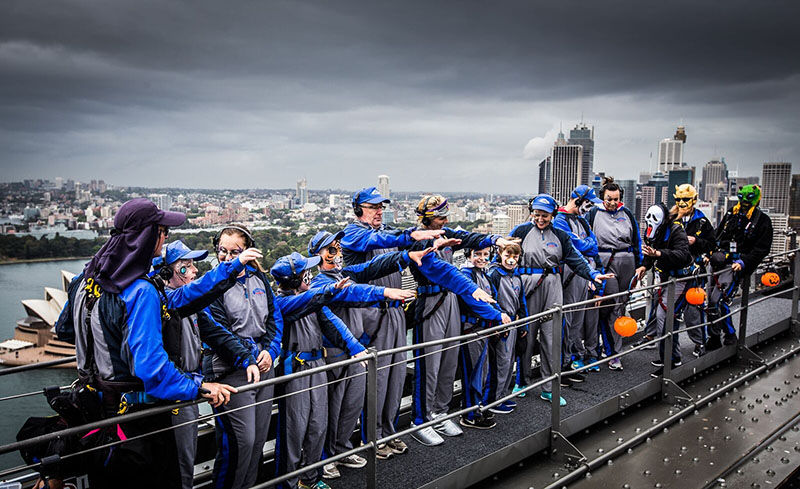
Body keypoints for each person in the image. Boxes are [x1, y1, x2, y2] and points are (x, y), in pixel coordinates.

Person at [56, 199, 234, 489]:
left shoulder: (85, 279)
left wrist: (108, 345)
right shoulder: (140, 291)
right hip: (138, 422)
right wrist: (200, 386)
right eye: (162, 231)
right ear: (147, 235)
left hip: (95, 416)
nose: (164, 237)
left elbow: (64, 330)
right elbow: (151, 369)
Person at [270, 252, 414, 489]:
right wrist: (330, 291)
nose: (310, 274)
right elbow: (303, 304)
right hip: (295, 369)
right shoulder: (283, 303)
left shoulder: (311, 300)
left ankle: (311, 479)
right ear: (297, 279)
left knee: (318, 425)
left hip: (317, 365)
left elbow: (333, 323)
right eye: (306, 272)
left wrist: (356, 348)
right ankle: (288, 484)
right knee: (293, 431)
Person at [307, 231, 432, 479]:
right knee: (333, 407)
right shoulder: (319, 282)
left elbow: (372, 267)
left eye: (337, 248)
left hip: (356, 351)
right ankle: (326, 457)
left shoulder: (344, 275)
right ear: (316, 256)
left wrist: (406, 256)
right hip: (335, 353)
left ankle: (342, 449)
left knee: (352, 404)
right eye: (330, 250)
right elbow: (351, 293)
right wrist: (383, 293)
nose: (337, 254)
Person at [152, 239, 264, 489]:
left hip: (189, 390)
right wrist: (233, 265)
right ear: (167, 271)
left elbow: (217, 334)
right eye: (186, 266)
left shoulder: (187, 305)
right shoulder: (164, 303)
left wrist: (246, 358)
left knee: (186, 463)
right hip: (173, 397)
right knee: (178, 468)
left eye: (194, 265)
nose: (194, 271)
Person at [340, 186, 444, 458]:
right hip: (372, 313)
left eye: (381, 206)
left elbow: (401, 243)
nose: (379, 210)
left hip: (396, 309)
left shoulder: (387, 234)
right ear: (359, 208)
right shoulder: (354, 233)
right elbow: (375, 243)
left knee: (397, 376)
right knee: (379, 377)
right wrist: (408, 236)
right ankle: (372, 438)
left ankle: (389, 432)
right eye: (373, 206)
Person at [407, 194, 514, 446]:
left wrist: (494, 239)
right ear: (428, 219)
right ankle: (421, 419)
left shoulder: (443, 234)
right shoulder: (417, 240)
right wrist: (470, 288)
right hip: (431, 301)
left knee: (448, 358)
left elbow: (467, 237)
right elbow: (441, 270)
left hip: (450, 300)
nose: (445, 220)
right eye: (440, 217)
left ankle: (441, 412)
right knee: (429, 363)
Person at [510, 194, 613, 406]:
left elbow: (576, 260)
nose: (540, 219)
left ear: (553, 215)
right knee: (526, 336)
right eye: (537, 214)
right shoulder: (520, 231)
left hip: (553, 286)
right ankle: (521, 381)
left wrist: (593, 275)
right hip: (527, 287)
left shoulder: (560, 235)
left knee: (552, 337)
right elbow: (503, 257)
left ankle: (549, 387)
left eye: (545, 215)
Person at [206, 224, 283, 489]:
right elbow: (218, 331)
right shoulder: (212, 284)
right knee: (241, 443)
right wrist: (252, 354)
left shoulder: (258, 279)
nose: (227, 258)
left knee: (258, 441)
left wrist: (270, 351)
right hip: (233, 372)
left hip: (264, 369)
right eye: (222, 251)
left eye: (234, 251)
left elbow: (275, 318)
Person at [707, 184, 773, 350]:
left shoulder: (762, 221)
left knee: (719, 300)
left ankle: (730, 334)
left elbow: (762, 249)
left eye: (748, 198)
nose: (744, 201)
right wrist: (709, 253)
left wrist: (744, 262)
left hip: (736, 266)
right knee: (709, 300)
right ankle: (714, 336)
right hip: (718, 262)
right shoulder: (731, 214)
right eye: (742, 197)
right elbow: (718, 234)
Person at [586, 177, 642, 371]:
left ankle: (611, 348)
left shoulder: (626, 213)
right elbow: (586, 240)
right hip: (604, 262)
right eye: (609, 199)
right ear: (603, 197)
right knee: (612, 305)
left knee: (621, 305)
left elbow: (637, 240)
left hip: (626, 261)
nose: (612, 203)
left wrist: (640, 265)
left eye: (615, 199)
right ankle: (613, 353)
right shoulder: (593, 213)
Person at [633, 204, 693, 376]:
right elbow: (649, 253)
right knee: (664, 318)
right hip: (667, 280)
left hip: (682, 279)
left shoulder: (676, 231)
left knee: (664, 317)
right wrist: (644, 266)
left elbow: (682, 255)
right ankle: (670, 357)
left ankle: (671, 360)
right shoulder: (653, 232)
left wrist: (658, 254)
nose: (650, 223)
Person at [553, 185, 604, 377]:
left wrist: (588, 245)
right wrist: (588, 245)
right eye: (589, 204)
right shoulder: (560, 220)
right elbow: (579, 246)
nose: (590, 208)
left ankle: (569, 360)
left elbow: (593, 245)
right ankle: (562, 367)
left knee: (577, 321)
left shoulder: (581, 221)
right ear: (578, 201)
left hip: (582, 276)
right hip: (569, 276)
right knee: (567, 320)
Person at [672, 184, 716, 357]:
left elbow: (712, 244)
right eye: (678, 199)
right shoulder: (670, 218)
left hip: (694, 274)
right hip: (674, 272)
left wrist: (696, 242)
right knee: (665, 310)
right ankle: (662, 344)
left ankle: (699, 342)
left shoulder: (702, 221)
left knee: (693, 312)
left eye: (686, 199)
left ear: (694, 200)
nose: (682, 203)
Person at [457, 246, 498, 429]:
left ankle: (478, 406)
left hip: (483, 328)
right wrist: (497, 317)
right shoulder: (466, 275)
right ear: (469, 255)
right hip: (471, 329)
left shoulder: (483, 274)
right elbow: (474, 302)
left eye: (485, 255)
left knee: (482, 370)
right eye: (478, 255)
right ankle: (469, 412)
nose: (482, 258)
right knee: (473, 370)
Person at [485, 243, 528, 408]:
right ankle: (493, 400)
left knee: (509, 362)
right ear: (500, 254)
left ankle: (502, 395)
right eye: (507, 256)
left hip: (514, 322)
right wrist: (497, 324)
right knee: (500, 363)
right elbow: (492, 299)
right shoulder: (494, 274)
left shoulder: (516, 275)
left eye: (515, 257)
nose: (511, 260)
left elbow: (521, 301)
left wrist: (523, 324)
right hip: (502, 323)